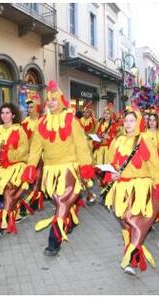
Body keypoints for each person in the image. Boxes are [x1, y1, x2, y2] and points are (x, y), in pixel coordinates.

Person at [21, 80, 94, 256]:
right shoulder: (42, 122)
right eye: (49, 99)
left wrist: (85, 166)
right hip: (50, 172)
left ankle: (54, 241)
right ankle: (71, 221)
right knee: (60, 201)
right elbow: (36, 148)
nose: (51, 102)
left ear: (61, 100)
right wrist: (31, 166)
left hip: (69, 168)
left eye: (54, 99)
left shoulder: (71, 120)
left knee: (61, 202)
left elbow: (81, 146)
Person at [103, 110, 159, 275]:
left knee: (134, 220)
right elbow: (112, 163)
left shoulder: (145, 139)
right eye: (126, 121)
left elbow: (154, 165)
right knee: (125, 221)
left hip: (141, 187)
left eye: (132, 120)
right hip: (122, 188)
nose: (128, 123)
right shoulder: (118, 141)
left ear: (138, 122)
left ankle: (130, 259)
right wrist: (112, 174)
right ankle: (135, 255)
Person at [0, 103, 29, 237]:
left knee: (8, 192)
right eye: (2, 113)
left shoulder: (19, 130)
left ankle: (1, 224)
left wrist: (9, 153)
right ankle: (16, 215)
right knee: (8, 194)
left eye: (7, 113)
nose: (5, 115)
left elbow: (24, 150)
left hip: (16, 167)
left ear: (13, 115)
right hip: (2, 169)